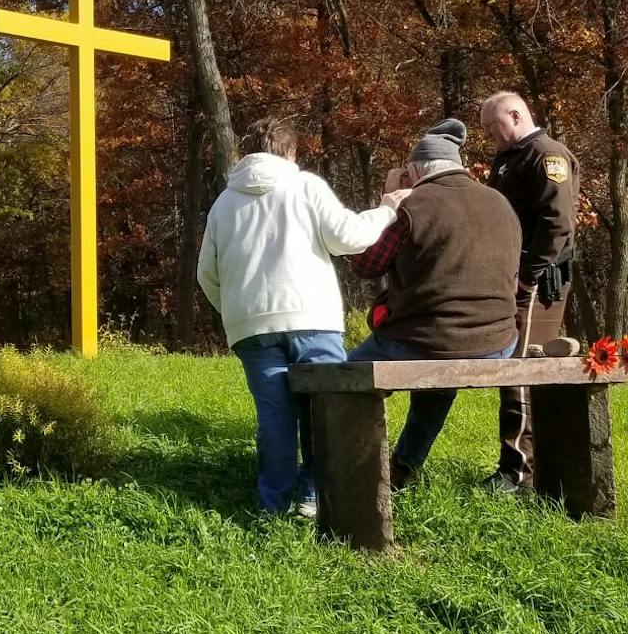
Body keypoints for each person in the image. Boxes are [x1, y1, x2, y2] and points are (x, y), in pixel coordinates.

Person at [197, 117, 409, 518]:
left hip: (252, 326)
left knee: (275, 417)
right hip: (312, 317)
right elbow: (347, 237)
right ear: (290, 151)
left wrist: (236, 311)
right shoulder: (306, 186)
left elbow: (206, 273)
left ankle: (272, 504)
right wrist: (386, 210)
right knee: (323, 408)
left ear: (248, 152)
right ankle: (315, 494)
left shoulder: (224, 203)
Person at [346, 118, 522, 490]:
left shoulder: (413, 205)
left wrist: (387, 200)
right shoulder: (500, 202)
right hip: (498, 344)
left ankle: (348, 474)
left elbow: (363, 264)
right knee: (442, 372)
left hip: (423, 340)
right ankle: (405, 465)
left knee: (341, 381)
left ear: (413, 170)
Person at [479, 91, 579, 493]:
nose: (489, 135)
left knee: (519, 368)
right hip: (514, 276)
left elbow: (557, 223)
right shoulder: (512, 157)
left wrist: (529, 277)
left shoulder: (546, 155)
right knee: (518, 367)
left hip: (537, 280)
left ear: (516, 115)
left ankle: (517, 471)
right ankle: (527, 464)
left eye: (492, 126)